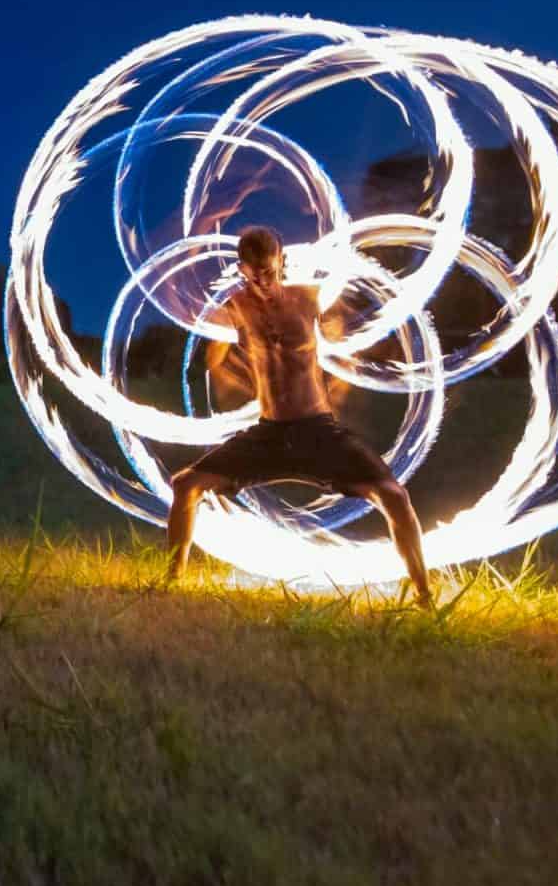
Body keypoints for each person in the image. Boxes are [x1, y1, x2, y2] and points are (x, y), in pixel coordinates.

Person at [165, 226, 434, 607]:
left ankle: (424, 594)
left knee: (393, 494)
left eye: (270, 272)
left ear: (282, 263)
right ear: (242, 269)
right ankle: (171, 582)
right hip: (269, 434)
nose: (263, 282)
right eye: (254, 274)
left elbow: (344, 344)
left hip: (318, 430)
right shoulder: (235, 309)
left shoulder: (311, 298)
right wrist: (221, 369)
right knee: (186, 484)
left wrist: (344, 381)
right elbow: (195, 326)